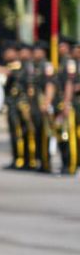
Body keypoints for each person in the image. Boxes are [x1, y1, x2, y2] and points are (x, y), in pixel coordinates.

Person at [29, 41, 55, 174]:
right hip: (34, 105)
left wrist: (47, 103)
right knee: (38, 134)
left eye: (37, 51)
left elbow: (50, 85)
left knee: (45, 135)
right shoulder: (34, 66)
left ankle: (46, 163)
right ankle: (40, 161)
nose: (34, 53)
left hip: (42, 104)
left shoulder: (47, 65)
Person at [55, 39, 77, 175]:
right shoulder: (62, 62)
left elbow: (69, 84)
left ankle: (71, 165)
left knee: (70, 136)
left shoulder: (69, 63)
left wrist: (67, 103)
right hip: (61, 103)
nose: (59, 48)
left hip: (68, 104)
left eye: (62, 46)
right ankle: (65, 163)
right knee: (62, 136)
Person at [1, 43, 25, 170]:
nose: (5, 55)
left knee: (18, 133)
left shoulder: (17, 65)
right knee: (14, 133)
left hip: (18, 105)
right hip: (12, 105)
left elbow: (8, 72)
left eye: (8, 52)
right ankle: (16, 159)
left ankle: (21, 159)